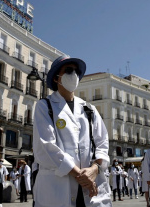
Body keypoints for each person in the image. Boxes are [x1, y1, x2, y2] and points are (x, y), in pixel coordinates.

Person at [32, 55, 111, 207]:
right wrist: (81, 176)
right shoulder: (45, 106)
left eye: (76, 71)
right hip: (57, 190)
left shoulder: (89, 109)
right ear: (56, 78)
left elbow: (102, 142)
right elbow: (47, 146)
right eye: (68, 70)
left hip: (91, 190)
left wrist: (95, 169)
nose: (73, 74)